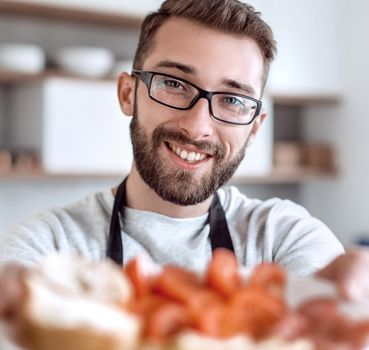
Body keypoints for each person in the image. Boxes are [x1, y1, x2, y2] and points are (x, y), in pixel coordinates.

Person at [0, 0, 368, 301]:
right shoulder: (49, 247)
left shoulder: (281, 236)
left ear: (254, 127)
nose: (197, 126)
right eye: (174, 83)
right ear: (128, 94)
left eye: (232, 100)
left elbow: (333, 308)